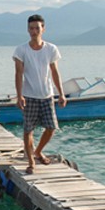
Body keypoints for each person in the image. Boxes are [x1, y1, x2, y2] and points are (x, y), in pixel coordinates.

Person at [13, 14, 67, 174]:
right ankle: (31, 162)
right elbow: (18, 73)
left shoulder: (51, 49)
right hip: (29, 96)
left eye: (37, 28)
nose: (34, 31)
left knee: (51, 128)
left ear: (43, 29)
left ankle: (37, 151)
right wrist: (19, 95)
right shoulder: (21, 50)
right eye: (31, 28)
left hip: (47, 95)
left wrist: (61, 94)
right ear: (27, 29)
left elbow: (55, 72)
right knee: (28, 130)